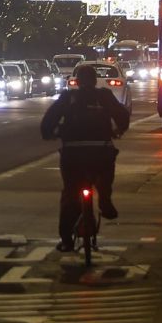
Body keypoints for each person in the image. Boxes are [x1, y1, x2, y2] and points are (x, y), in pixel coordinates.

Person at [40, 63, 131, 252]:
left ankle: (66, 240)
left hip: (73, 154)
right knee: (105, 177)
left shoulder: (68, 97)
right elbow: (122, 115)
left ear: (78, 81)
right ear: (95, 80)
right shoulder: (104, 96)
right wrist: (118, 130)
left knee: (70, 194)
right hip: (101, 152)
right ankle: (105, 199)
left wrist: (51, 133)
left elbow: (48, 121)